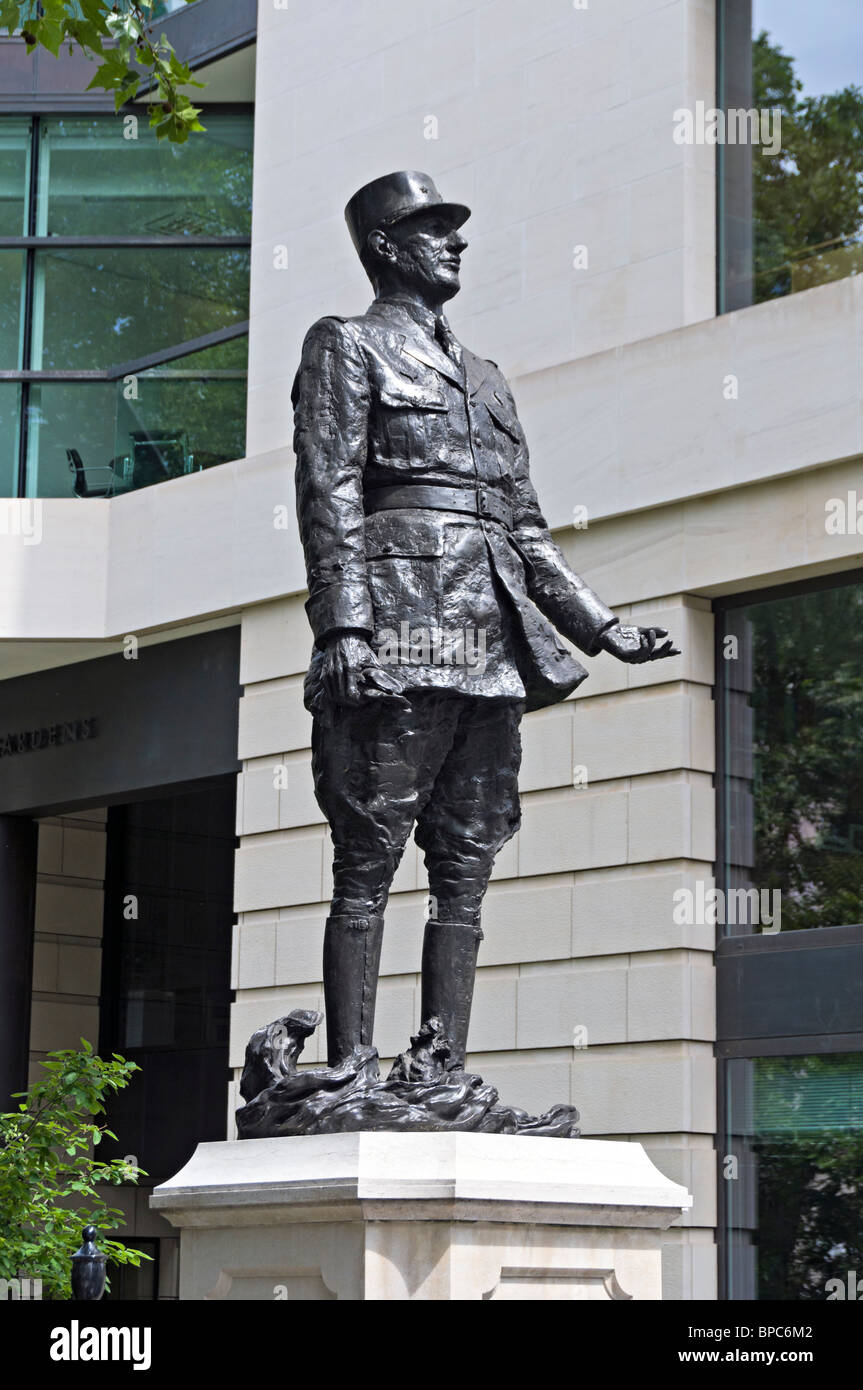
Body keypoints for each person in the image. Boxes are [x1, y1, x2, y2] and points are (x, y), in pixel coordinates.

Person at [292, 171, 678, 1070]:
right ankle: (349, 1063)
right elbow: (328, 488)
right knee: (369, 853)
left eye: (455, 230)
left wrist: (600, 626)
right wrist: (344, 627)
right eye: (432, 230)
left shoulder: (486, 378)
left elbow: (522, 524)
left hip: (489, 642)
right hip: (397, 627)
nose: (455, 242)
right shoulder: (346, 344)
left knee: (467, 858)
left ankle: (442, 1062)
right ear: (384, 248)